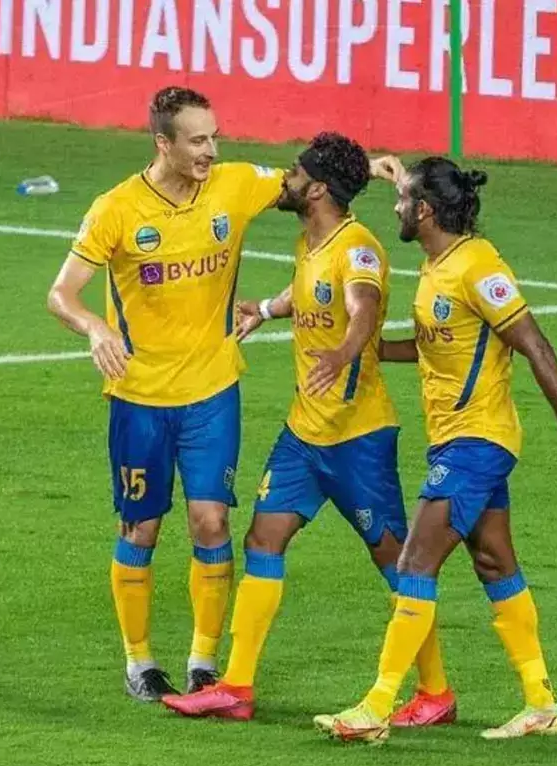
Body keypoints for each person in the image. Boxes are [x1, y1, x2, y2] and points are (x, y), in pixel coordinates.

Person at [315, 157, 557, 744]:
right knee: (494, 562)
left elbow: (536, 346)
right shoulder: (438, 263)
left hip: (477, 441)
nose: (397, 208)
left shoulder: (477, 267)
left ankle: (375, 708)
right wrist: (371, 351)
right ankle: (541, 704)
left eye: (404, 200)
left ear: (425, 211)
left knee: (414, 565)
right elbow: (436, 344)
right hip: (460, 439)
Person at [46, 86, 286, 701]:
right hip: (140, 398)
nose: (212, 151)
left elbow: (309, 185)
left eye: (214, 138)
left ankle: (204, 661)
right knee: (141, 527)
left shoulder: (235, 185)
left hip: (212, 390)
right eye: (198, 140)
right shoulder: (116, 209)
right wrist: (95, 327)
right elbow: (61, 294)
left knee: (211, 520)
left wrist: (372, 167)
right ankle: (139, 662)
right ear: (163, 143)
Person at [163, 132, 406, 722]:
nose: (286, 180)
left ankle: (435, 691)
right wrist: (267, 310)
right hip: (304, 434)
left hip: (357, 437)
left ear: (317, 189)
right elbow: (311, 293)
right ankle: (236, 688)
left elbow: (363, 306)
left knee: (398, 563)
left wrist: (345, 350)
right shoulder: (310, 242)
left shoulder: (359, 248)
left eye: (296, 172)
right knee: (262, 541)